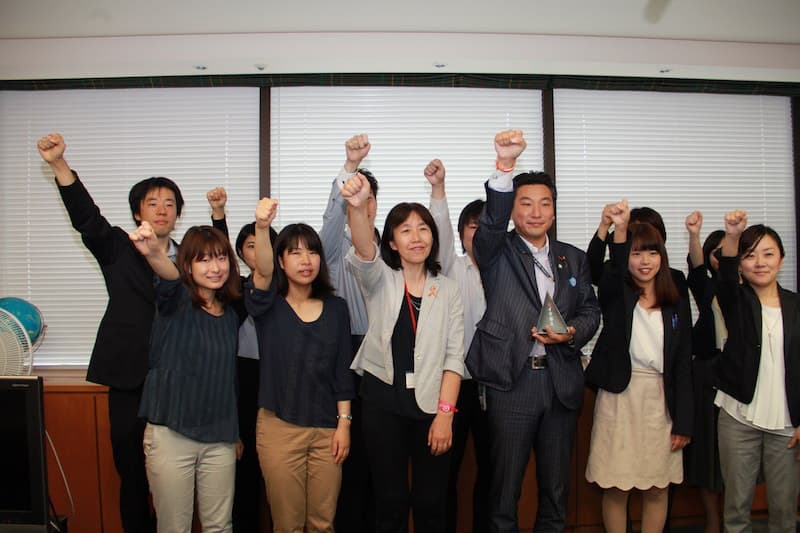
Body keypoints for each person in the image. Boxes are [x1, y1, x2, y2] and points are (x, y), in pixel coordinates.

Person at [37, 132, 185, 532]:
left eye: (169, 204)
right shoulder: (118, 246)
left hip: (178, 379)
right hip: (128, 377)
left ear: (178, 213)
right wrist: (59, 165)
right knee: (131, 473)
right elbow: (87, 219)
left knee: (177, 476)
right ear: (138, 212)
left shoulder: (191, 256)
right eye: (152, 203)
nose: (162, 210)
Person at [465, 130, 601, 533]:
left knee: (556, 492)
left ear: (554, 211)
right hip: (513, 384)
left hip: (560, 383)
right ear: (512, 209)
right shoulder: (496, 250)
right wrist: (505, 167)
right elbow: (490, 224)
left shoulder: (573, 258)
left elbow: (591, 310)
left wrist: (571, 332)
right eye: (525, 203)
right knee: (504, 492)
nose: (536, 212)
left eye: (545, 203)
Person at [342, 170, 465, 532]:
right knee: (390, 501)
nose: (416, 237)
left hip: (431, 405)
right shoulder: (380, 278)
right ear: (393, 242)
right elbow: (363, 246)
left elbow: (454, 357)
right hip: (382, 403)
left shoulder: (448, 289)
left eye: (423, 228)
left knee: (431, 502)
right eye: (406, 230)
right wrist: (358, 206)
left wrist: (445, 416)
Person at [246, 198, 355, 533]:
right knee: (287, 524)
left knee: (323, 523)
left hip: (327, 429)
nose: (306, 260)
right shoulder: (267, 306)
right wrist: (262, 227)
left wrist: (344, 424)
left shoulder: (336, 308)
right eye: (294, 252)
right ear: (281, 261)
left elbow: (342, 372)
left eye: (312, 251)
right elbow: (262, 272)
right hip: (279, 427)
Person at [584, 199, 693, 533]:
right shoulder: (616, 291)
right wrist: (617, 228)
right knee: (617, 486)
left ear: (662, 256)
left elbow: (683, 362)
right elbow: (603, 266)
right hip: (620, 396)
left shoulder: (675, 299)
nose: (645, 261)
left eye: (652, 253)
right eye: (636, 253)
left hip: (661, 400)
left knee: (658, 487)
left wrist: (683, 421)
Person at [131, 222, 242, 532]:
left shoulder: (230, 315)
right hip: (172, 433)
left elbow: (227, 379)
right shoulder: (175, 301)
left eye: (221, 258)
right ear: (188, 266)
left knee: (220, 527)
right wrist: (154, 253)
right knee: (174, 527)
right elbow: (168, 277)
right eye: (203, 260)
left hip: (220, 438)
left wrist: (234, 434)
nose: (215, 268)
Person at [712, 210, 800, 533]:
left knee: (785, 512)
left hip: (787, 423)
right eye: (750, 256)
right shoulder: (735, 300)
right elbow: (725, 276)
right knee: (736, 511)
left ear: (781, 259)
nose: (760, 263)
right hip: (739, 416)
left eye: (768, 254)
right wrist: (733, 236)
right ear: (741, 264)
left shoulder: (795, 305)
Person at [424, 158, 491, 533]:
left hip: (497, 388)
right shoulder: (451, 268)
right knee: (444, 474)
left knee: (493, 474)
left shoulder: (509, 273)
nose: (479, 234)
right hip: (455, 385)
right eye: (473, 226)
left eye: (487, 227)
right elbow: (441, 234)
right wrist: (439, 189)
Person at [206, 188, 276, 532]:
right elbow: (217, 253)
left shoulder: (286, 290)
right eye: (249, 245)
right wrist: (218, 215)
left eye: (263, 243)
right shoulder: (233, 289)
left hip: (277, 378)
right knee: (244, 468)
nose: (257, 249)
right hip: (242, 379)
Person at [319, 133, 379, 532]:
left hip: (384, 359)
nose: (362, 203)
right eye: (355, 197)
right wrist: (350, 168)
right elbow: (330, 218)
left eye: (368, 197)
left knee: (378, 459)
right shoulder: (334, 247)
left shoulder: (391, 248)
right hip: (344, 356)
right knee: (345, 458)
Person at [683, 211, 725, 533]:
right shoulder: (708, 288)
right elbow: (697, 267)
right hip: (707, 379)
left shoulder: (755, 289)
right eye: (717, 253)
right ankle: (713, 522)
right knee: (709, 457)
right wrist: (695, 235)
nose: (724, 258)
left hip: (742, 381)